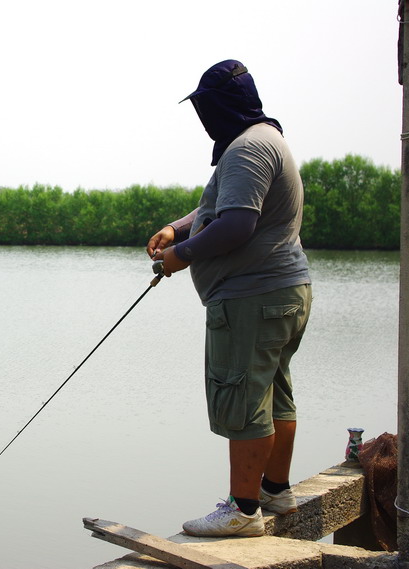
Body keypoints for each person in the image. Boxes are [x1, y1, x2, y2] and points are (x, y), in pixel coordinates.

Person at [146, 60, 312, 537]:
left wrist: (182, 254)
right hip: (279, 292)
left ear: (222, 106)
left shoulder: (247, 148)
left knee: (243, 398)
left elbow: (238, 223)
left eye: (206, 107)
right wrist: (177, 228)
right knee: (272, 392)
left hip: (252, 298)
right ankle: (274, 491)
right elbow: (224, 206)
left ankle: (243, 511)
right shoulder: (264, 140)